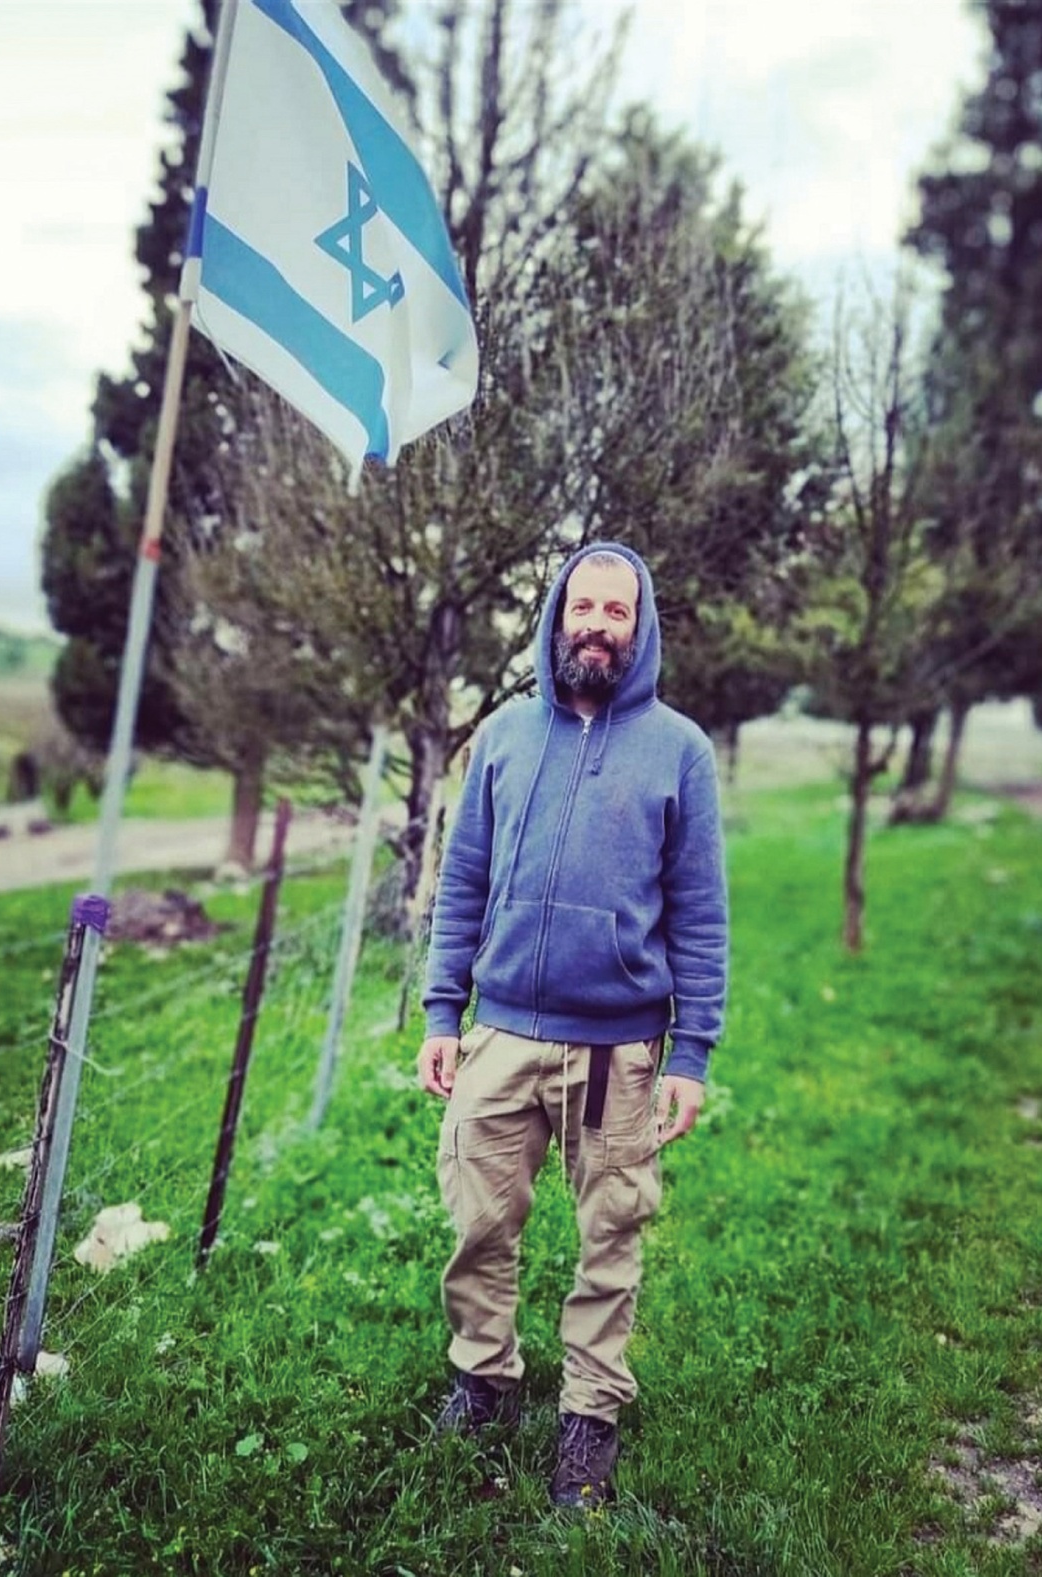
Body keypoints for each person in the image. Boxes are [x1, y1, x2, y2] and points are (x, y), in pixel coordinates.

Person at [417, 541, 729, 1510]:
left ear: (639, 629)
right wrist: (441, 1006)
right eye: (580, 606)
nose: (595, 624)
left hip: (618, 1048)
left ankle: (587, 1415)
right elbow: (461, 876)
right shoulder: (506, 737)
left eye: (615, 611)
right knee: (477, 1219)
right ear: (556, 615)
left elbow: (700, 908)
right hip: (501, 1029)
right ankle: (484, 1380)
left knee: (610, 1234)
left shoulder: (678, 748)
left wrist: (691, 1049)